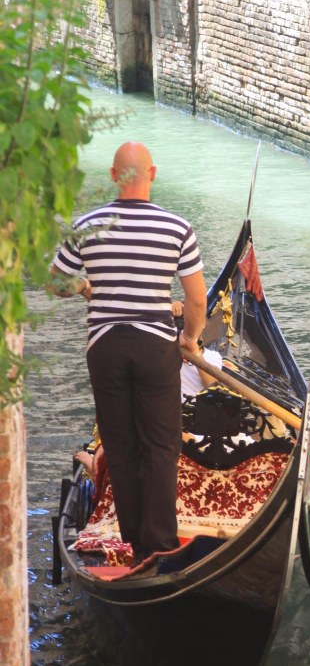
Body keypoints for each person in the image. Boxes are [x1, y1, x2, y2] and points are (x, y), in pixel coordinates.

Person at [49, 141, 207, 570]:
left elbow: (56, 281)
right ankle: (158, 546)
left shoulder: (86, 225)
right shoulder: (177, 228)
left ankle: (135, 544)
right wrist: (190, 340)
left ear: (114, 176)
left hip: (105, 347)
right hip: (155, 343)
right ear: (152, 174)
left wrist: (84, 287)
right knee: (160, 443)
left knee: (120, 444)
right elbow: (196, 300)